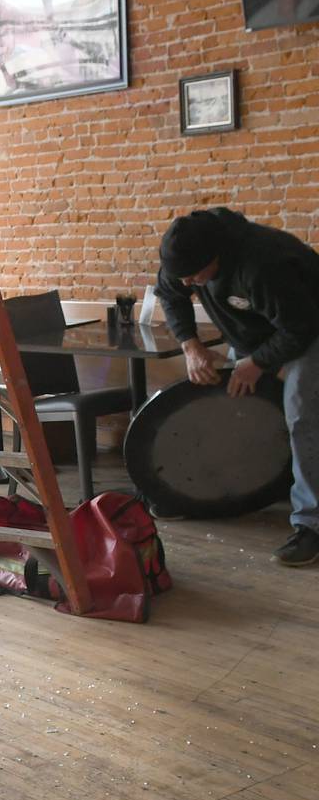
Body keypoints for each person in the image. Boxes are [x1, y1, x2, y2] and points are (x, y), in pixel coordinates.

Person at [156, 207, 319, 566]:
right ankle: (218, 494)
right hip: (255, 333)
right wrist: (190, 344)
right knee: (235, 402)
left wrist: (257, 363)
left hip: (308, 328)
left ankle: (311, 526)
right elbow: (170, 294)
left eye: (193, 277)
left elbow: (299, 328)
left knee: (303, 413)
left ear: (215, 258)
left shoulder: (261, 263)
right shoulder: (184, 259)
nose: (186, 283)